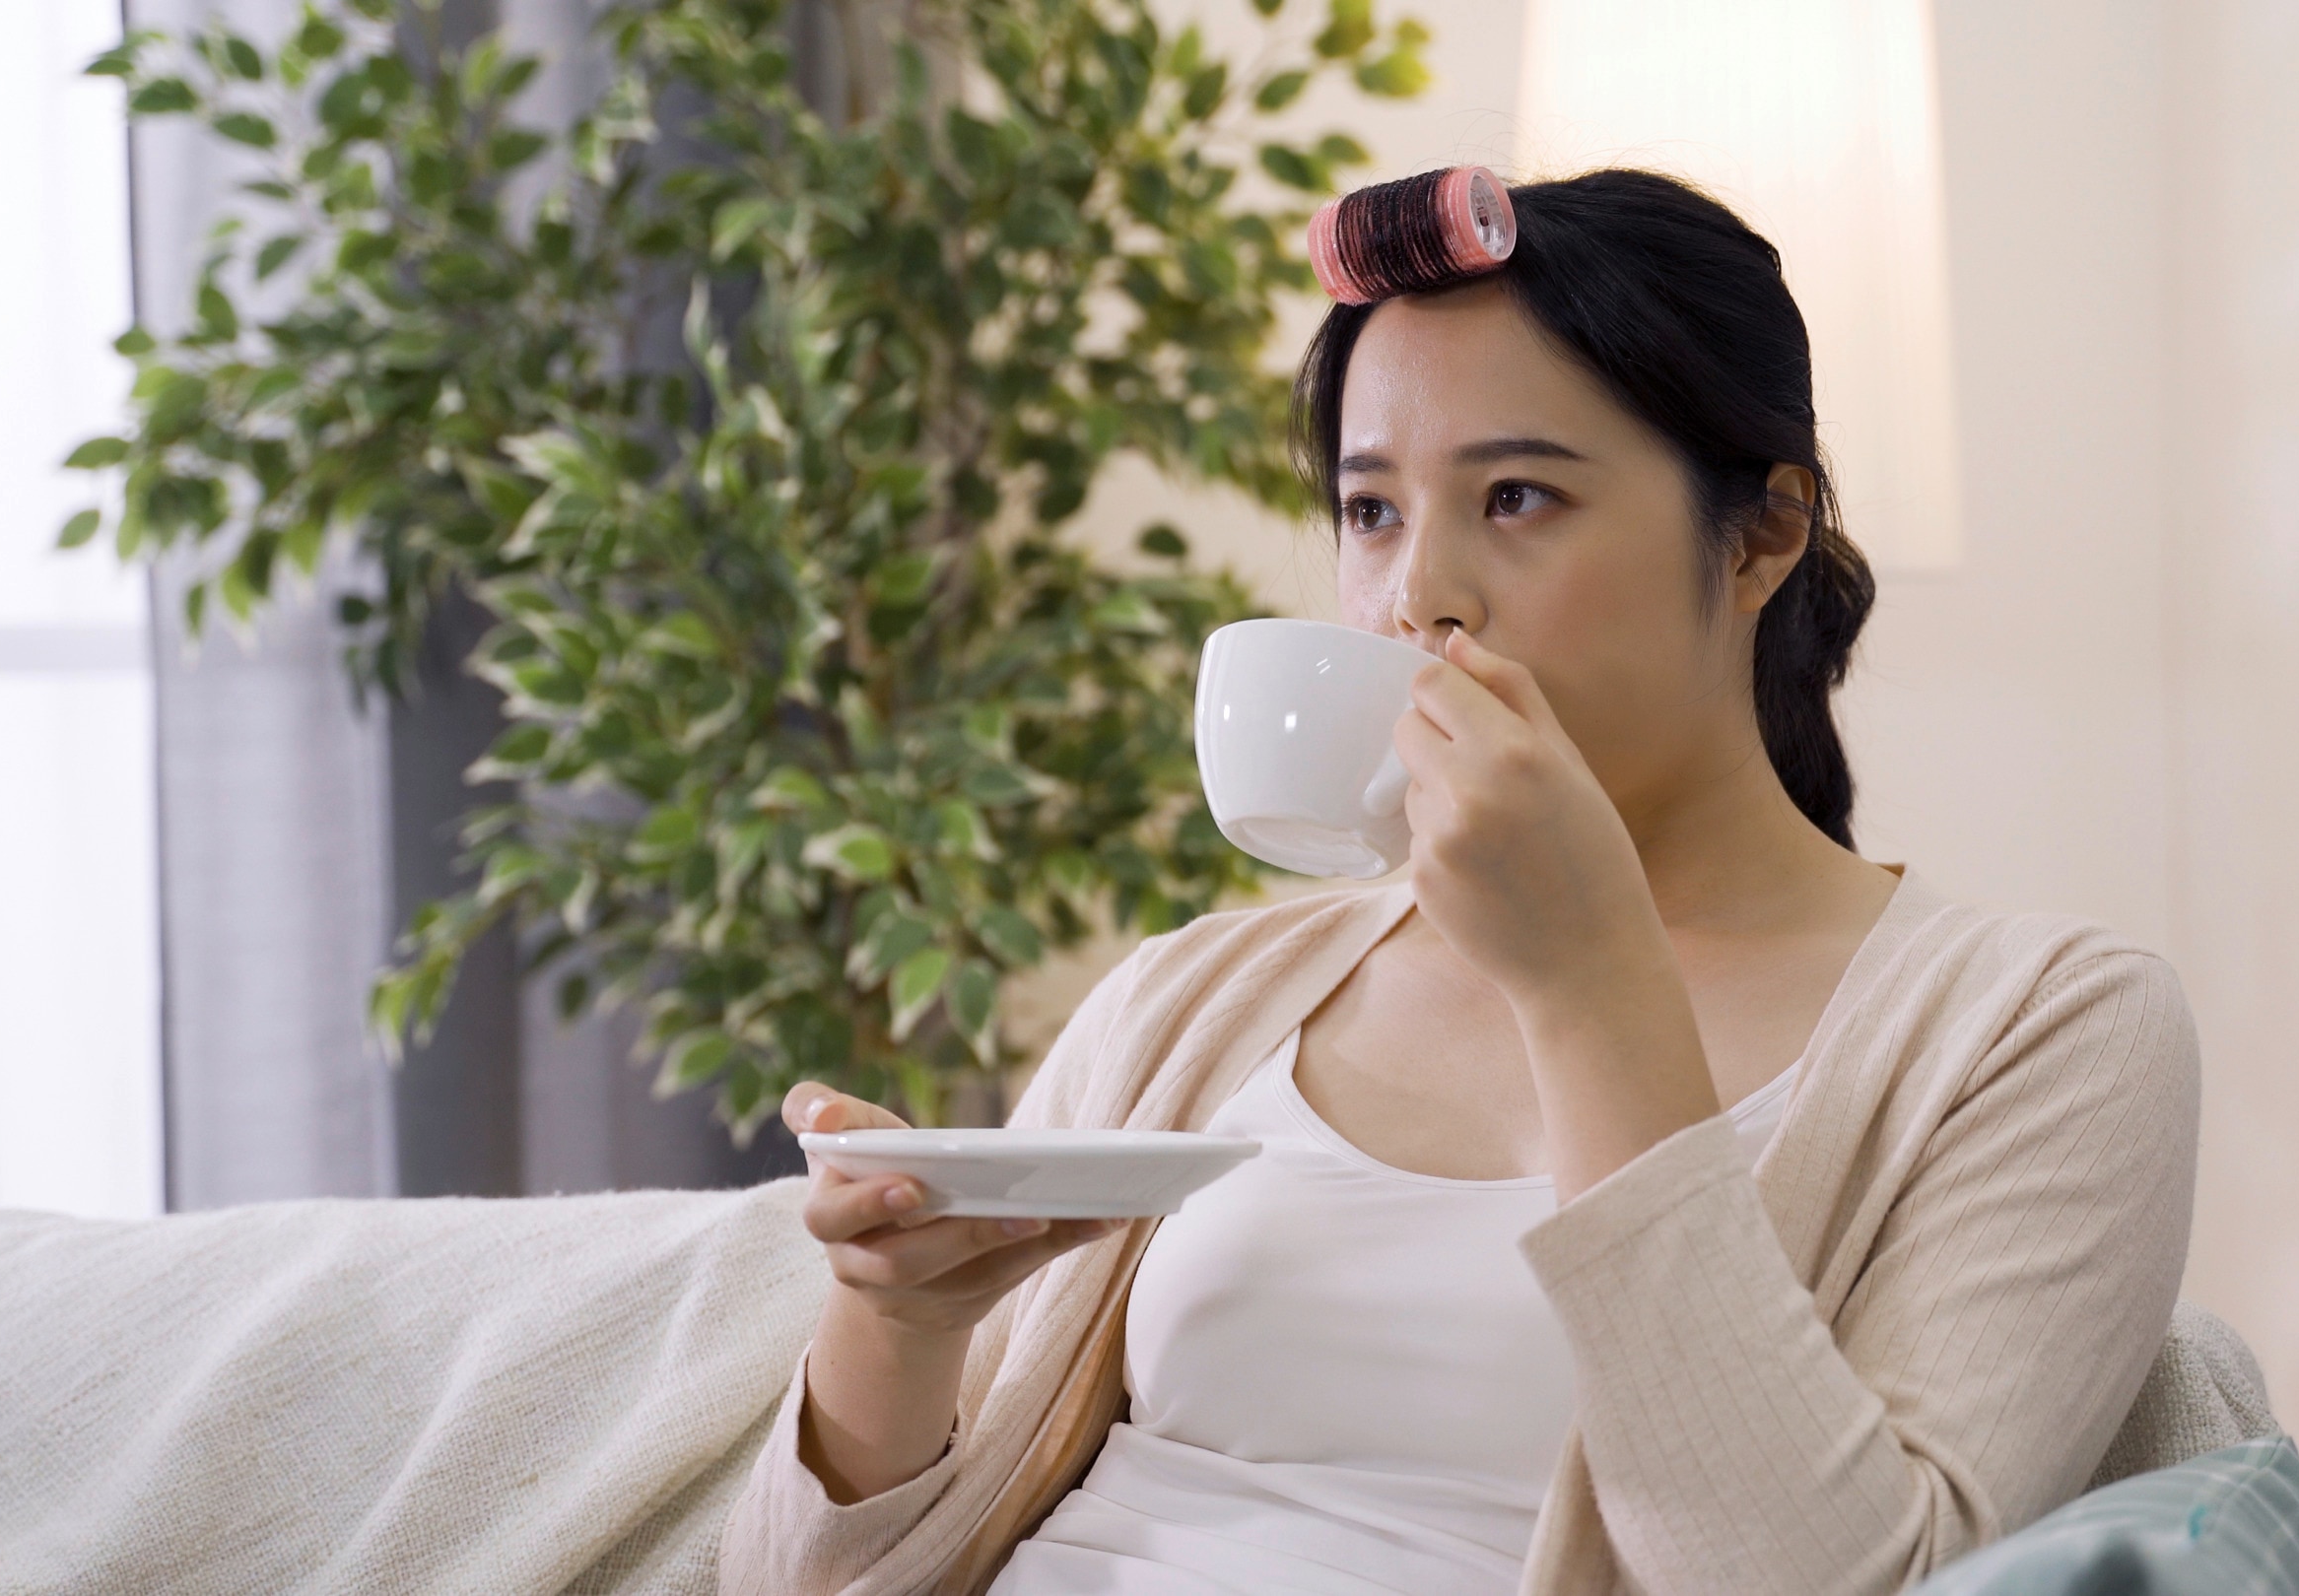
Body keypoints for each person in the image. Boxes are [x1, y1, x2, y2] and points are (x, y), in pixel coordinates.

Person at [720, 167, 2200, 1596]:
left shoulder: (2044, 1031)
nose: (1419, 592)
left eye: (1516, 499)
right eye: (1371, 512)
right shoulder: (1193, 1003)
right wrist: (892, 1325)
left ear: (1764, 534)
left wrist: (1588, 984)